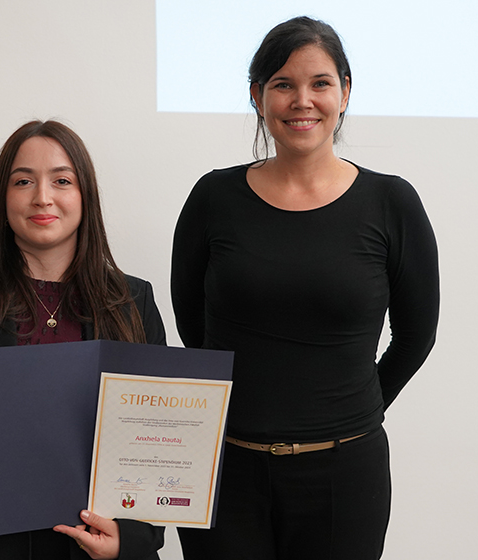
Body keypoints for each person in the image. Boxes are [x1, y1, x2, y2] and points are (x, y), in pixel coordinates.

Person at [171, 16, 439, 560]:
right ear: (257, 96)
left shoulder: (392, 202)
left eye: (320, 83)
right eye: (282, 84)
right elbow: (191, 321)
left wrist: (354, 413)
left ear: (345, 92)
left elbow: (417, 335)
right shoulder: (213, 197)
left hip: (345, 474)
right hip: (224, 469)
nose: (303, 100)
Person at [0, 120, 166, 560]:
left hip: (92, 547)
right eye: (23, 181)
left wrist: (133, 539)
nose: (42, 197)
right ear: (2, 198)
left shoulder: (133, 301)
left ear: (85, 196)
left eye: (62, 181)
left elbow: (153, 440)